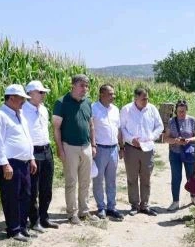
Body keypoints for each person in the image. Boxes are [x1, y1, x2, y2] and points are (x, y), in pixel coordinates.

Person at [0, 85, 38, 242]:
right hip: (10, 164)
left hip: (24, 163)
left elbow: (26, 137)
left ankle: (22, 227)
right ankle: (13, 230)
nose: (23, 101)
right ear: (11, 98)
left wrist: (31, 158)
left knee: (26, 195)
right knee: (12, 197)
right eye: (21, 98)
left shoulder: (19, 114)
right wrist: (4, 164)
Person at [53, 74, 98, 225]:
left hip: (86, 147)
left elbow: (91, 125)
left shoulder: (88, 103)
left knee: (85, 181)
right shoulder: (61, 102)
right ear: (73, 85)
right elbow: (56, 128)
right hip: (69, 147)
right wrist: (60, 149)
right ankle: (72, 213)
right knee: (71, 182)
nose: (85, 89)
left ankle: (84, 211)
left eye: (86, 86)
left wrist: (93, 145)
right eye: (81, 86)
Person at [120, 87, 164, 216]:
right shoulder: (126, 109)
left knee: (146, 178)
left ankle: (144, 205)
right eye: (143, 98)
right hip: (131, 148)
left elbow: (159, 126)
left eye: (147, 98)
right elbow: (122, 128)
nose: (146, 100)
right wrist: (130, 139)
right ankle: (134, 205)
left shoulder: (152, 109)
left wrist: (151, 137)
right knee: (132, 177)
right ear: (136, 98)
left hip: (148, 149)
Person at [23, 80, 58, 232]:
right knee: (33, 188)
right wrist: (30, 156)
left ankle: (44, 217)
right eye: (40, 92)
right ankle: (34, 220)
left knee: (46, 187)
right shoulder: (22, 110)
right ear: (30, 94)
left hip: (46, 149)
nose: (43, 95)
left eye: (44, 92)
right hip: (33, 151)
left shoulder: (43, 109)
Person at [92, 84, 124, 219]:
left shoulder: (115, 109)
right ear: (102, 94)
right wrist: (92, 146)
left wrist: (121, 147)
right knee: (98, 180)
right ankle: (101, 207)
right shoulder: (93, 108)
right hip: (99, 149)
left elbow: (119, 130)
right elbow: (90, 128)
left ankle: (111, 207)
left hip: (113, 149)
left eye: (113, 93)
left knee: (111, 180)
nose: (113, 96)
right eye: (110, 94)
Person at [164, 99, 195, 211]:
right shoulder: (171, 121)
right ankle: (175, 201)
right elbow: (166, 138)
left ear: (187, 110)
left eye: (183, 111)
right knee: (176, 177)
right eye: (179, 111)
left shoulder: (193, 121)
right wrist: (175, 141)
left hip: (189, 153)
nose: (181, 113)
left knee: (191, 176)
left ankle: (194, 198)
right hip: (175, 153)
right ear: (176, 111)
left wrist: (189, 140)